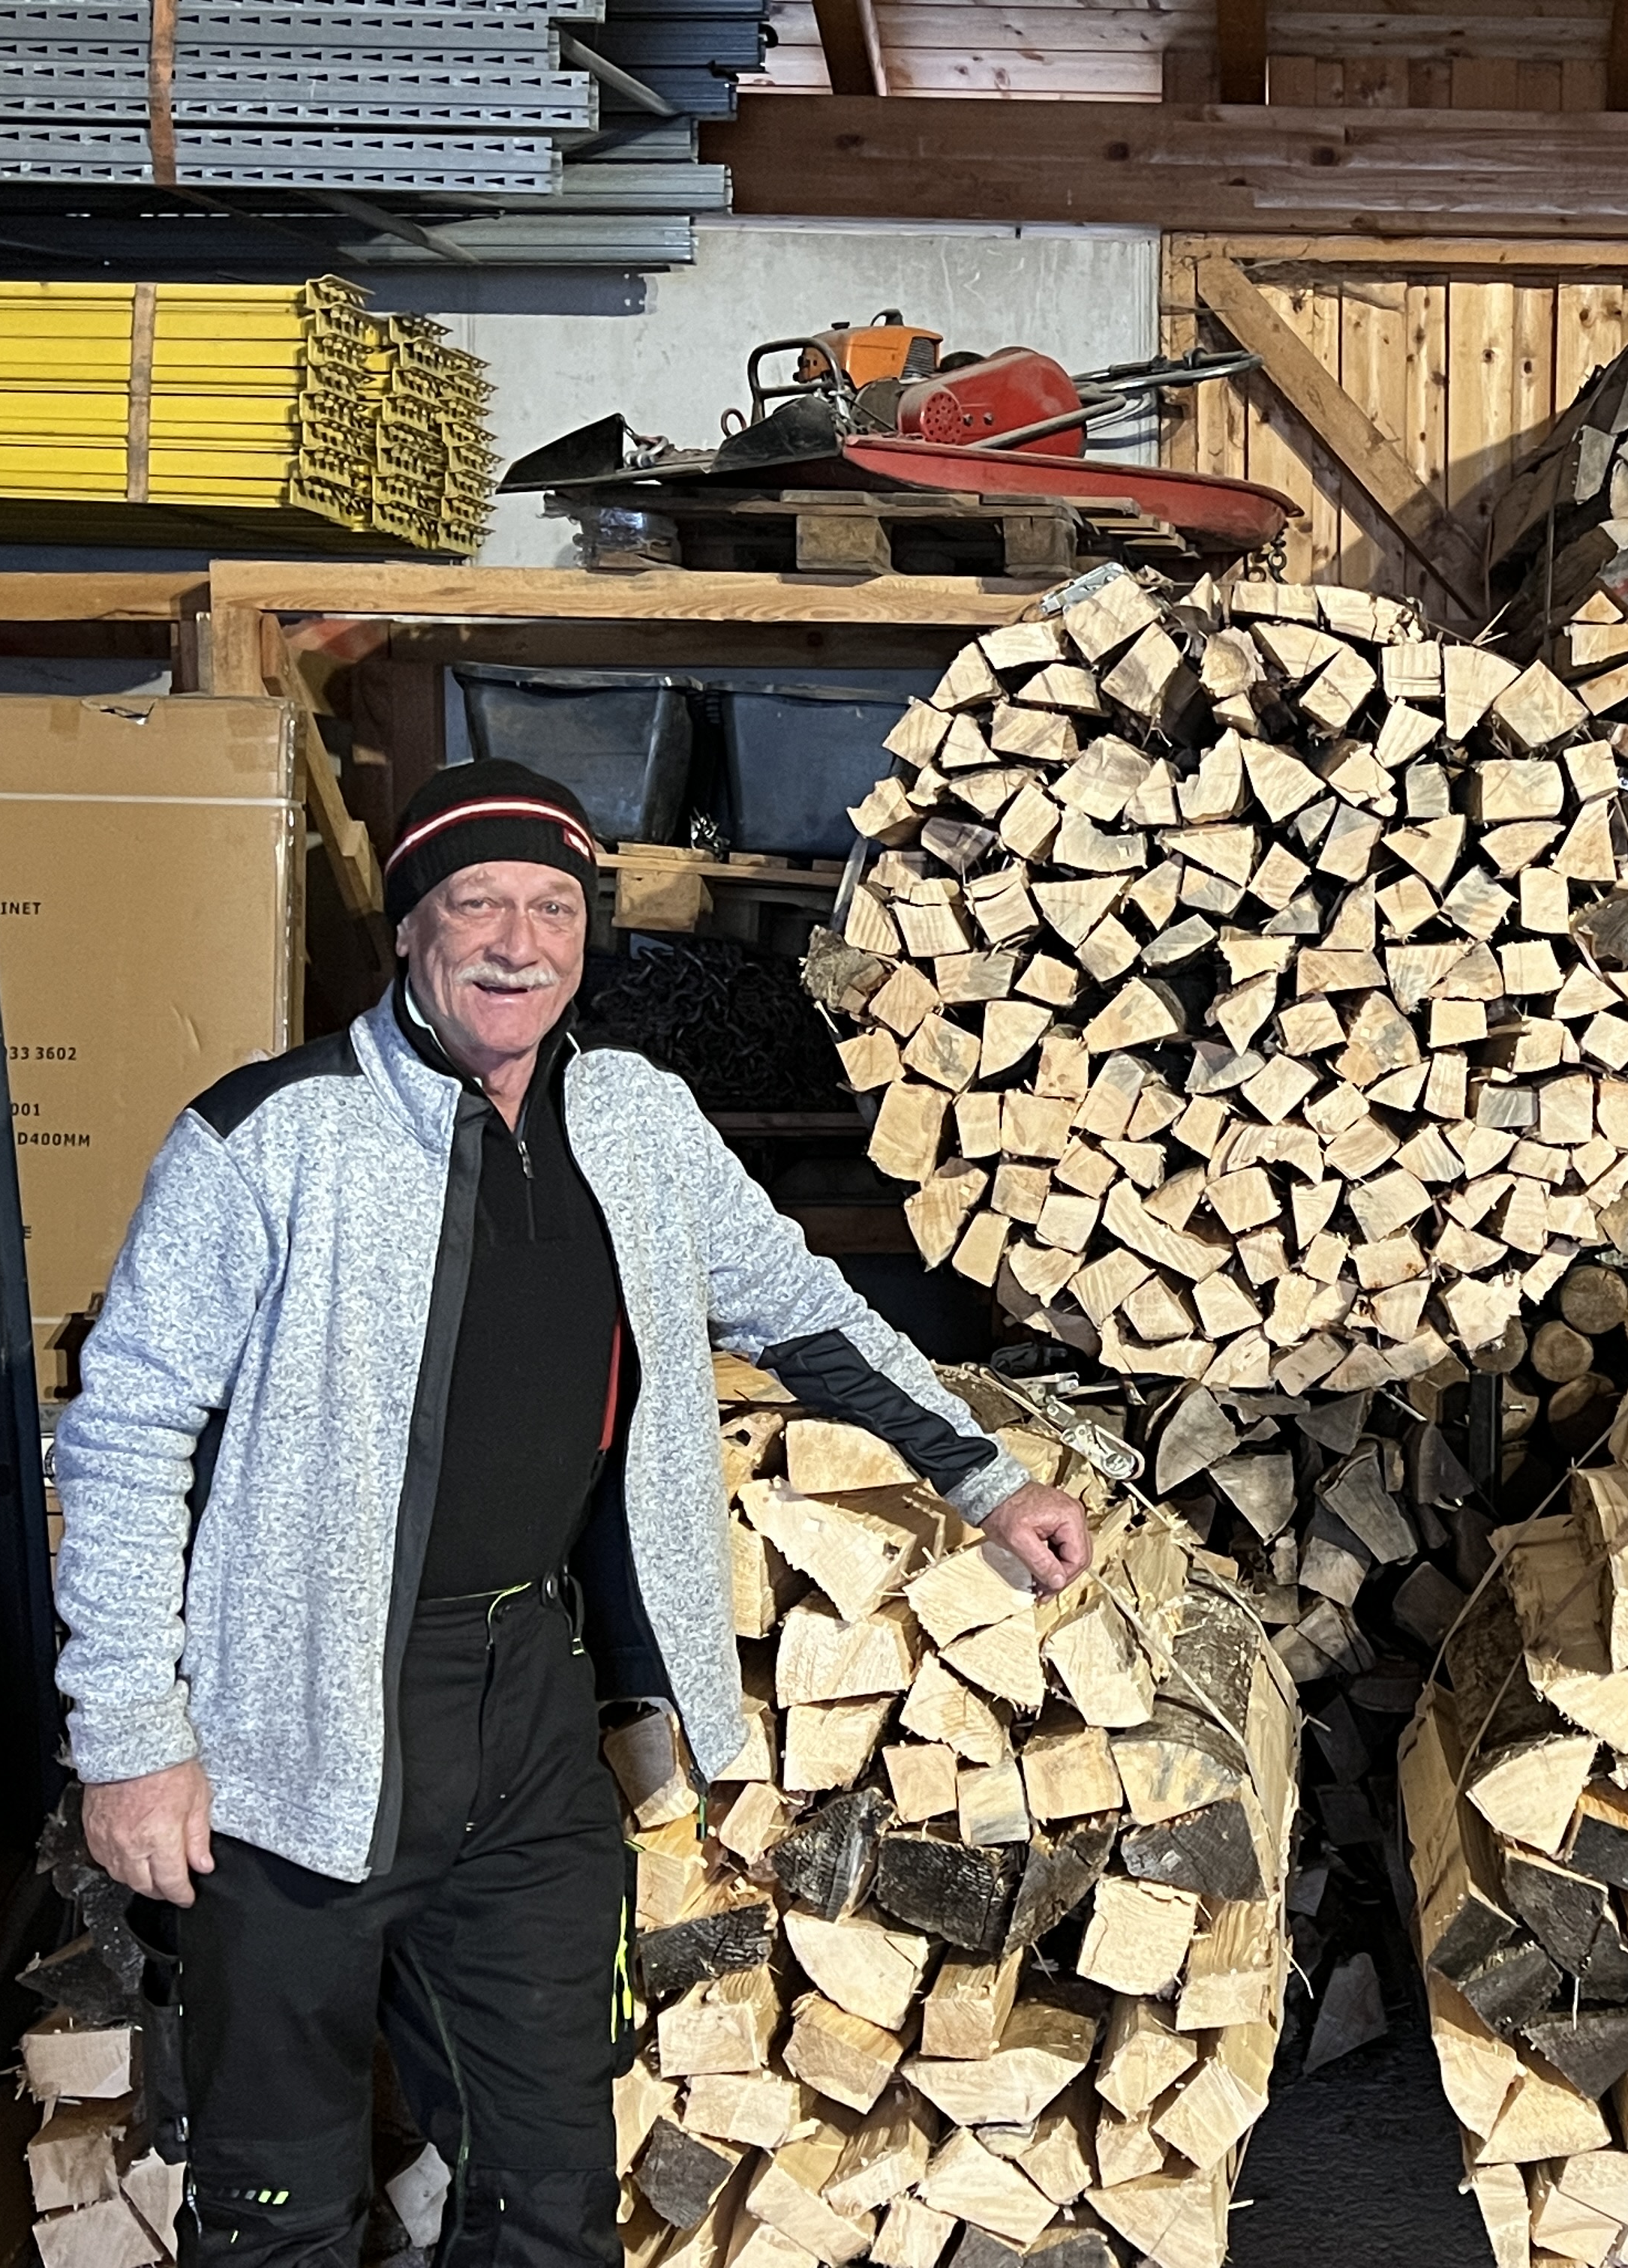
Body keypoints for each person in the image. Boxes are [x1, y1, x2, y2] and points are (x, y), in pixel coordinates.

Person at [53, 760, 1093, 2268]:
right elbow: (129, 1434)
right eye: (476, 901)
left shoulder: (640, 1121)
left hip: (530, 1713)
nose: (519, 942)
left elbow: (798, 1307)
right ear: (412, 927)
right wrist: (132, 1741)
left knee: (547, 2186)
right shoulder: (268, 1137)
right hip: (292, 1717)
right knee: (275, 2201)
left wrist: (984, 1479)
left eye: (553, 907)